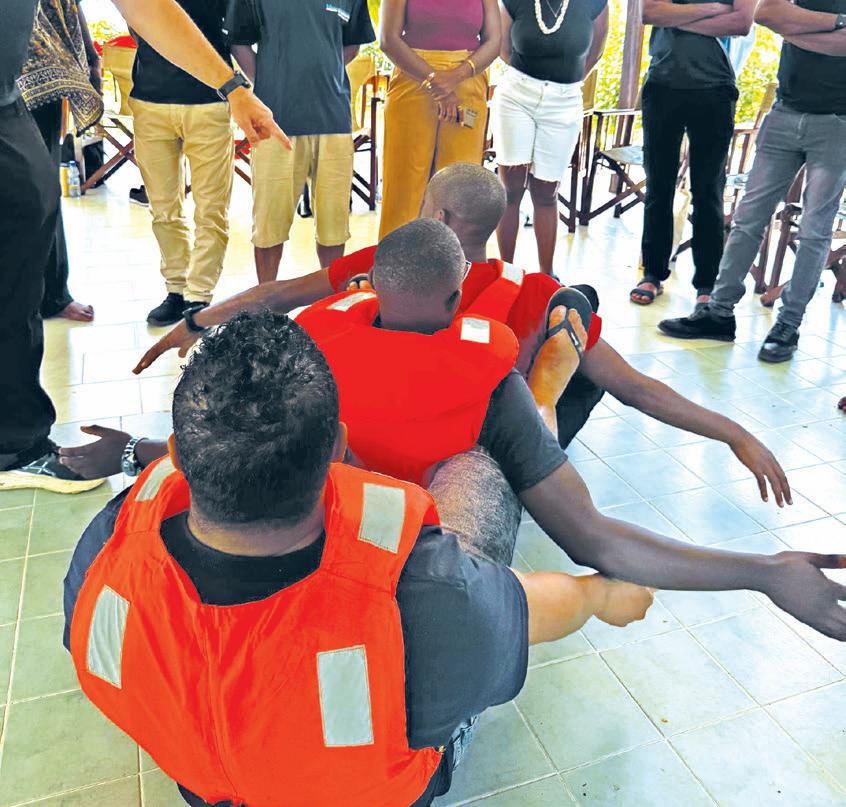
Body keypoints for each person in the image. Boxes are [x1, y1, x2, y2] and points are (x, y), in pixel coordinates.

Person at [68, 228, 846, 646]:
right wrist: (762, 568)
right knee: (523, 434)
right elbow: (601, 528)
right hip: (486, 453)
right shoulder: (509, 343)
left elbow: (258, 425)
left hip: (335, 509)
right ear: (459, 286)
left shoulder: (329, 330)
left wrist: (149, 435)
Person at [64, 310, 653, 807]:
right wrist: (599, 595)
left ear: (175, 454)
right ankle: (540, 406)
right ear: (340, 448)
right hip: (368, 790)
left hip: (205, 782)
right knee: (476, 468)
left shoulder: (107, 547)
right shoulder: (427, 598)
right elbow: (527, 612)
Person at [0, 0, 285, 496]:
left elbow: (143, 2)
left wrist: (232, 86)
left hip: (6, 105)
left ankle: (14, 441)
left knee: (23, 238)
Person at [125, 165, 790, 506]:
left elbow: (277, 295)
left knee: (572, 310)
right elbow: (637, 387)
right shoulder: (530, 292)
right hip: (484, 461)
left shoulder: (389, 264)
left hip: (364, 451)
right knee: (575, 315)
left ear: (440, 215)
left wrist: (194, 322)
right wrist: (732, 432)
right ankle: (555, 380)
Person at [659, 0, 846, 362]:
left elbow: (794, 26)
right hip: (784, 112)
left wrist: (795, 25)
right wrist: (836, 22)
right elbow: (765, 15)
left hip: (838, 123)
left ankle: (788, 325)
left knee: (815, 230)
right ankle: (718, 313)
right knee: (747, 219)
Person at [226, 0, 375, 282]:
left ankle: (332, 301)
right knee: (269, 225)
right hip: (275, 123)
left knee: (334, 226)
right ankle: (267, 304)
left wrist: (322, 71)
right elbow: (239, 41)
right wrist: (268, 81)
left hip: (333, 121)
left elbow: (351, 45)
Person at [123, 0, 244, 326]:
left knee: (212, 208)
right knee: (163, 207)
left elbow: (236, 26)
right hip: (150, 98)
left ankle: (200, 293)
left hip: (209, 100)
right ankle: (175, 287)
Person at [631, 0, 761, 308]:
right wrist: (713, 8)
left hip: (714, 89)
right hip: (664, 85)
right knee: (659, 186)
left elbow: (742, 21)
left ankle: (707, 285)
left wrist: (679, 10)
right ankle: (653, 273)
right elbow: (650, 14)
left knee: (708, 190)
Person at [493, 0, 609, 275]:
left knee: (545, 190)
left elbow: (594, 51)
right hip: (517, 95)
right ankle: (507, 273)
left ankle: (546, 275)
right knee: (510, 187)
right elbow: (503, 48)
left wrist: (563, 81)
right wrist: (532, 77)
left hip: (564, 102)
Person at [378, 0, 500, 238]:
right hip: (413, 84)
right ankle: (396, 260)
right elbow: (388, 39)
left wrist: (455, 77)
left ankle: (454, 260)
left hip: (466, 88)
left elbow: (494, 41)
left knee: (459, 182)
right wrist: (434, 80)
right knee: (405, 177)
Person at [19, 0, 99, 322]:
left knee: (43, 189)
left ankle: (53, 294)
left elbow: (68, 0)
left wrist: (91, 59)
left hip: (39, 80)